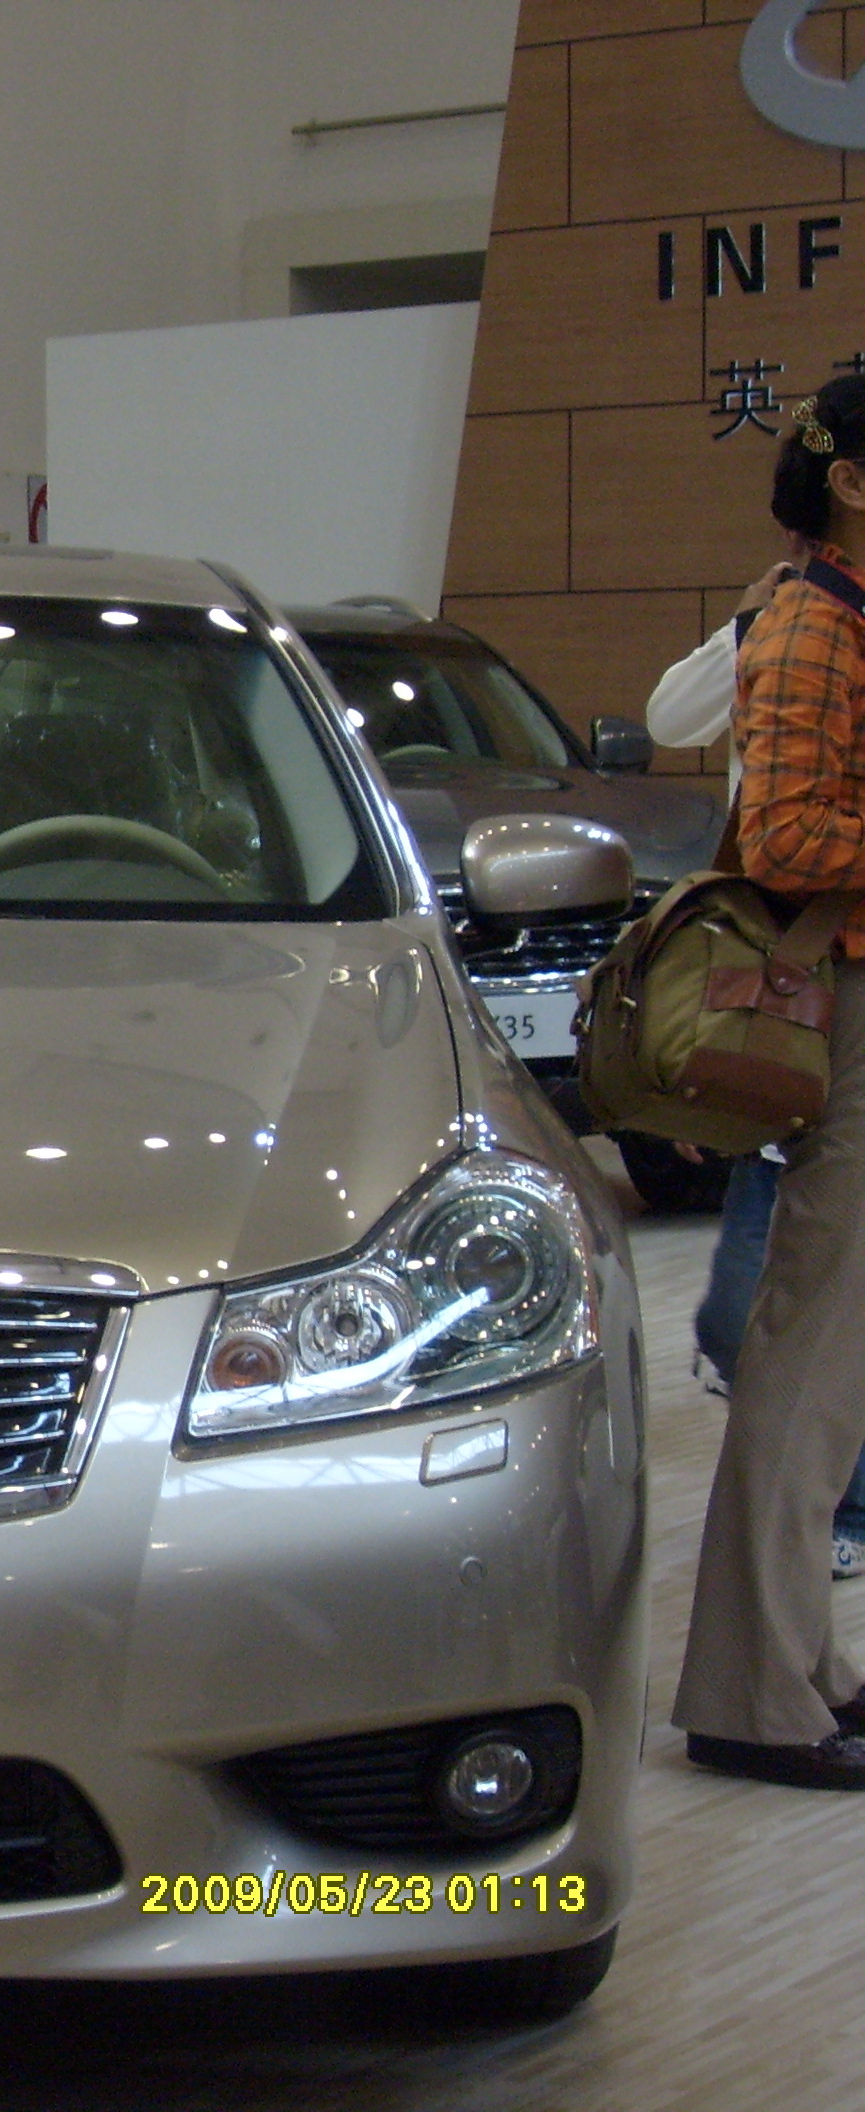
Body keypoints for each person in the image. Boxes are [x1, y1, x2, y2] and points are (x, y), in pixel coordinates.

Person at [672, 375, 865, 1789]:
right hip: (843, 1003)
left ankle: (798, 1662)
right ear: (848, 481)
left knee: (835, 1357)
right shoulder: (807, 624)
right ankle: (751, 1691)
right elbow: (787, 838)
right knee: (810, 1345)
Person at [643, 557, 865, 1581]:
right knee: (750, 1317)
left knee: (817, 1312)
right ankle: (800, 1541)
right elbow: (676, 722)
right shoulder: (800, 622)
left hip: (825, 979)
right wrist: (742, 625)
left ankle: (832, 1520)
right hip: (778, 987)